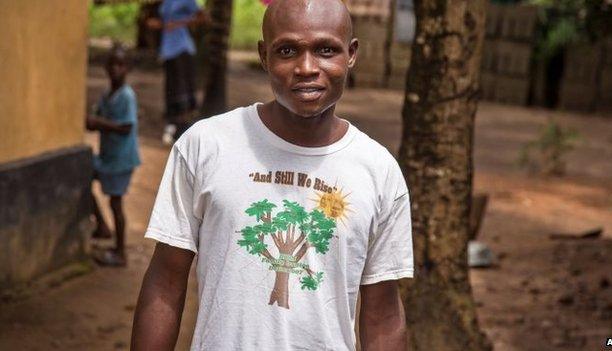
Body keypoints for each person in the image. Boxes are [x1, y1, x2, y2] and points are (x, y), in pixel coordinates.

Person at [131, 0, 413, 349]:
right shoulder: (206, 146)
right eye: (287, 50)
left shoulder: (378, 171)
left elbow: (383, 313)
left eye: (326, 50)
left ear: (351, 54)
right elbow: (166, 280)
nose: (307, 67)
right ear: (264, 55)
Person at [87, 45, 141, 267]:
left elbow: (126, 127)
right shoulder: (106, 94)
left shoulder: (127, 96)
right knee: (83, 176)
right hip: (108, 157)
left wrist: (97, 123)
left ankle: (121, 253)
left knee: (116, 203)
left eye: (120, 65)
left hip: (121, 160)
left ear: (127, 68)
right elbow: (97, 116)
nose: (115, 69)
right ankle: (102, 226)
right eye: (111, 64)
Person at [146, 0, 206, 145]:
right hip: (168, 50)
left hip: (182, 49)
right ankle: (173, 126)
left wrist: (179, 24)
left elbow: (202, 17)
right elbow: (164, 22)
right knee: (171, 89)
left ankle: (184, 129)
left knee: (182, 88)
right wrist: (159, 25)